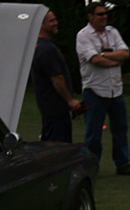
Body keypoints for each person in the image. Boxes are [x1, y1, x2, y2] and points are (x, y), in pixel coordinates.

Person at [76, 1, 130, 175]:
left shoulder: (112, 32)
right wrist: (114, 59)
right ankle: (91, 166)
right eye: (100, 14)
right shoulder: (83, 35)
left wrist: (104, 56)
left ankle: (122, 163)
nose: (104, 17)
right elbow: (95, 60)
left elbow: (125, 53)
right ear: (90, 16)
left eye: (105, 14)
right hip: (94, 90)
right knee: (93, 133)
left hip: (115, 90)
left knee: (121, 128)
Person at [31, 10, 83, 142]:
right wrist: (70, 100)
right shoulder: (47, 49)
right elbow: (56, 78)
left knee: (49, 146)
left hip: (48, 109)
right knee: (59, 150)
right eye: (51, 21)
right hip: (56, 110)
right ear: (41, 25)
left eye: (55, 19)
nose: (56, 23)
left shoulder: (39, 46)